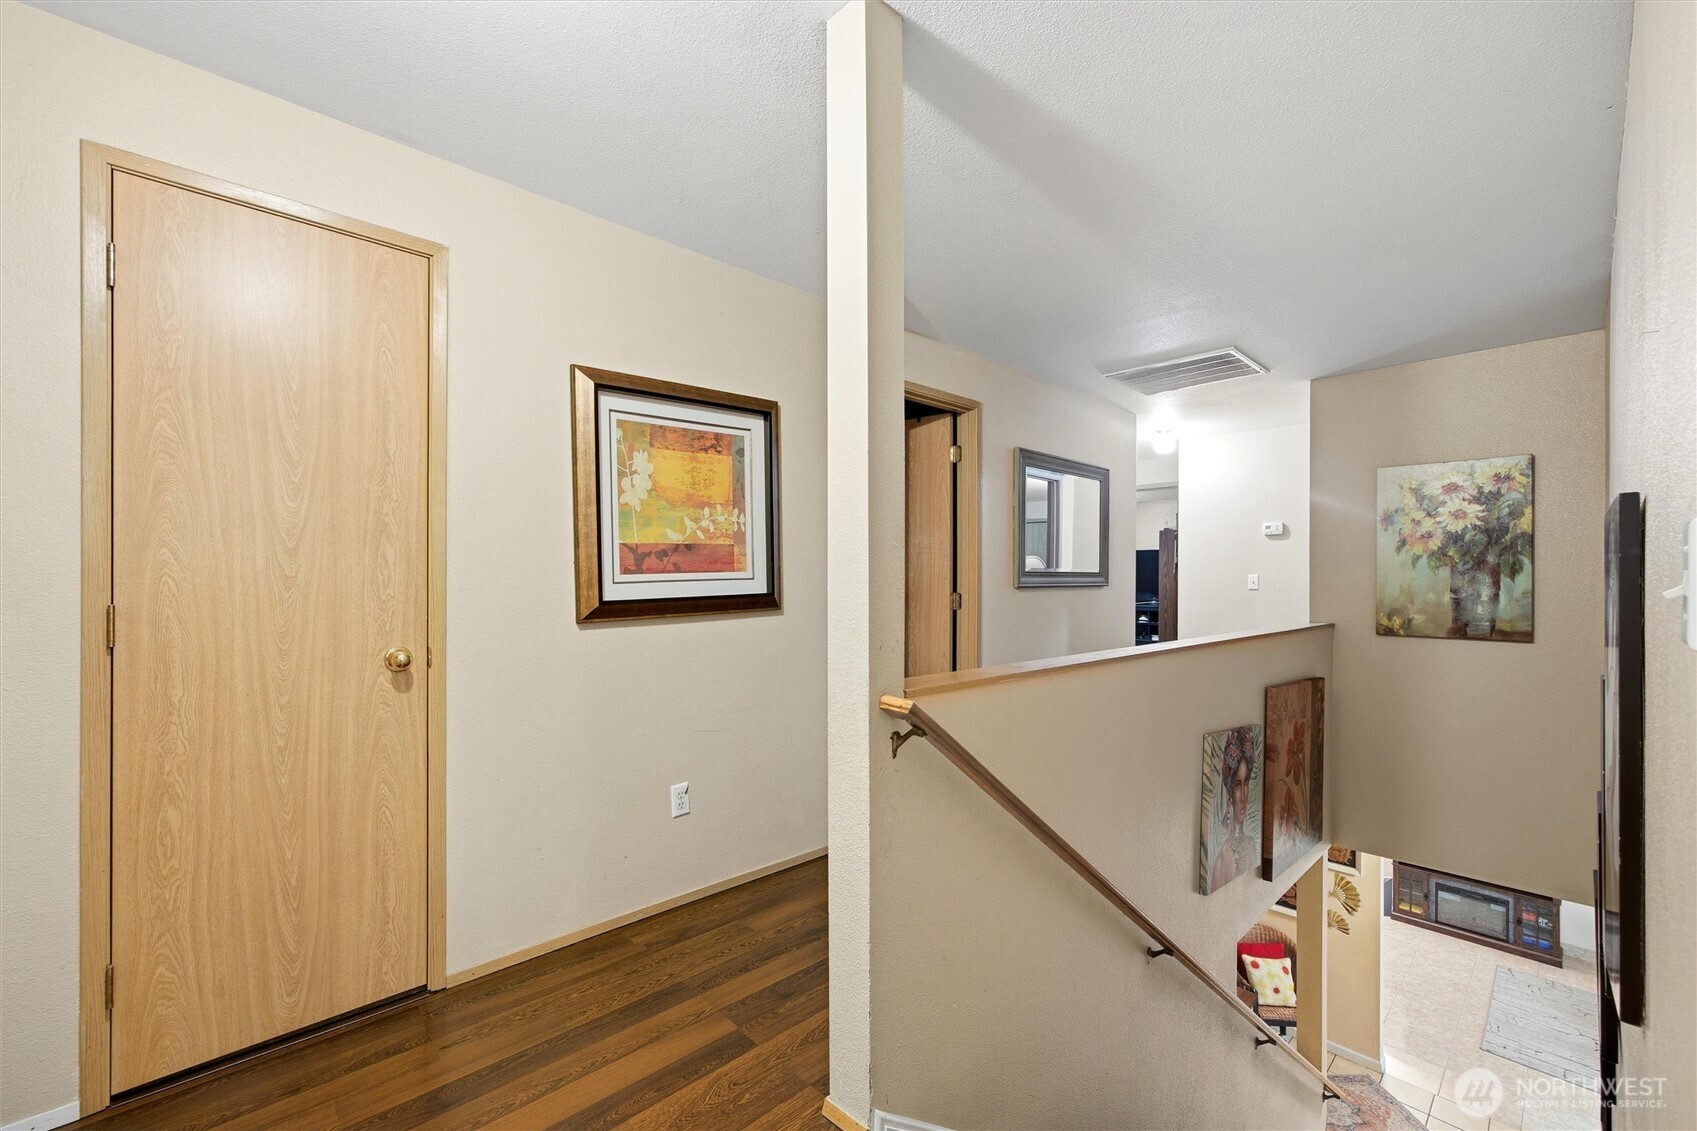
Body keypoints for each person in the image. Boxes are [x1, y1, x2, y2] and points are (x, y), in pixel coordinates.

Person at [1210, 727, 1259, 892]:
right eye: (1238, 785)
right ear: (1230, 791)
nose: (1244, 796)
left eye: (1246, 782)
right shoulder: (1222, 859)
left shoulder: (1252, 844)